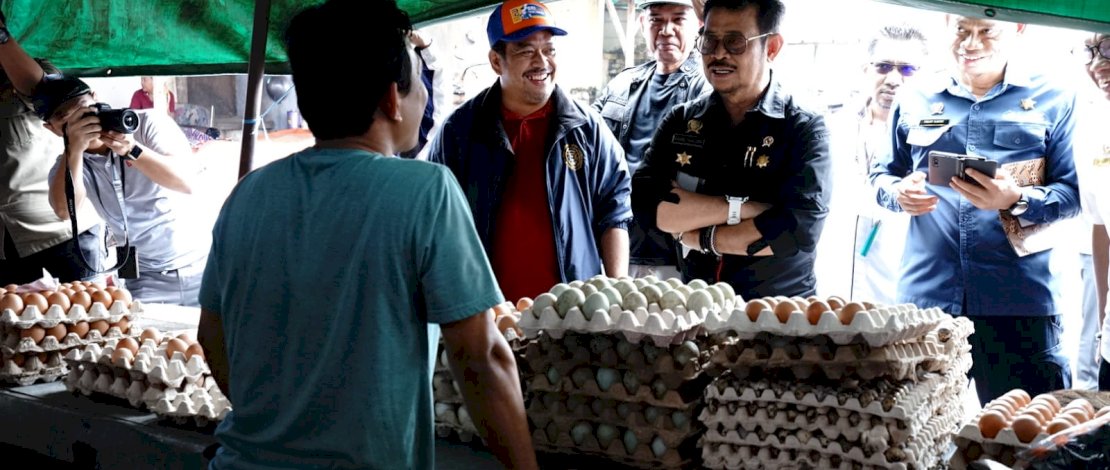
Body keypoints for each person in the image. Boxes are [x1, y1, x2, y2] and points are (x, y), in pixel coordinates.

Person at [195, 1, 536, 468]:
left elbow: (212, 337)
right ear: (391, 99)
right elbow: (480, 358)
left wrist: (284, 426)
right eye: (418, 81)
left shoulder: (247, 195)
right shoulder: (424, 191)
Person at [870, 15, 1080, 404]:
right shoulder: (916, 97)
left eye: (986, 32)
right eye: (962, 31)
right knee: (911, 437)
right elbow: (881, 174)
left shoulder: (1056, 97)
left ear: (1018, 28)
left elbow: (1073, 194)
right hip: (926, 302)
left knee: (1026, 444)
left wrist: (1016, 200)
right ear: (947, 23)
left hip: (1020, 304)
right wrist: (897, 192)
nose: (971, 43)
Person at [428, 0, 633, 302]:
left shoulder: (587, 128)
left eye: (549, 49)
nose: (542, 62)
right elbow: (439, 224)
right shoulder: (460, 132)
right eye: (525, 50)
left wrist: (617, 297)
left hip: (573, 315)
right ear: (496, 61)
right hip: (491, 314)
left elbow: (615, 212)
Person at [631, 0, 832, 299]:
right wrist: (744, 210)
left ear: (772, 48)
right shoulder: (681, 122)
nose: (719, 54)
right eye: (709, 41)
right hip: (696, 309)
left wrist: (701, 237)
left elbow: (797, 230)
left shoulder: (802, 128)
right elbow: (648, 207)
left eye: (735, 42)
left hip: (776, 316)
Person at [36, 75, 207, 306]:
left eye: (82, 111)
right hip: (145, 278)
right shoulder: (69, 163)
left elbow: (186, 181)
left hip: (201, 264)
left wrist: (130, 148)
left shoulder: (145, 124)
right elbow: (64, 211)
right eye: (64, 119)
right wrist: (74, 150)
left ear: (96, 98)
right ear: (52, 129)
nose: (78, 122)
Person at [593, 0, 711, 280]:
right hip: (619, 247)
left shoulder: (706, 89)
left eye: (678, 20)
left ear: (698, 25)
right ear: (642, 25)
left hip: (678, 254)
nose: (666, 30)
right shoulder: (621, 85)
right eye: (656, 20)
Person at [816, 25, 926, 301]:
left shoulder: (933, 138)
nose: (893, 78)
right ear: (866, 69)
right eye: (883, 66)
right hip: (832, 277)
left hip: (896, 284)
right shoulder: (831, 124)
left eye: (907, 70)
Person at [0, 12, 106, 285]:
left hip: (62, 236)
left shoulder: (27, 75)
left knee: (85, 322)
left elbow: (44, 88)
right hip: (7, 247)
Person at [1074, 31, 1110, 391]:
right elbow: (1101, 229)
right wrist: (1102, 324)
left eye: (1109, 48)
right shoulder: (1092, 129)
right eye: (1089, 52)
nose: (1098, 64)